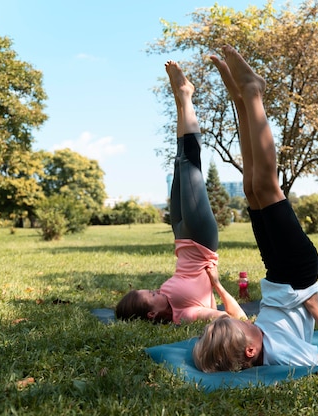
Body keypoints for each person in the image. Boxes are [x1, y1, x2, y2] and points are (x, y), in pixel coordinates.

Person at [192, 45, 318, 371]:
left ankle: (241, 101)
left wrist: (220, 288)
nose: (246, 321)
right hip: (298, 274)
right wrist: (317, 312)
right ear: (251, 351)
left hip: (278, 279)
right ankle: (252, 92)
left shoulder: (253, 341)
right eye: (243, 326)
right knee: (267, 187)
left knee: (251, 189)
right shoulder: (283, 354)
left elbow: (236, 317)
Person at [115, 60, 246, 324]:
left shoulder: (166, 299)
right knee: (189, 163)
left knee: (179, 160)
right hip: (200, 241)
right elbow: (238, 320)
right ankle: (186, 95)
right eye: (152, 294)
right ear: (152, 313)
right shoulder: (185, 314)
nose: (156, 290)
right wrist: (218, 286)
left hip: (181, 238)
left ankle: (181, 99)